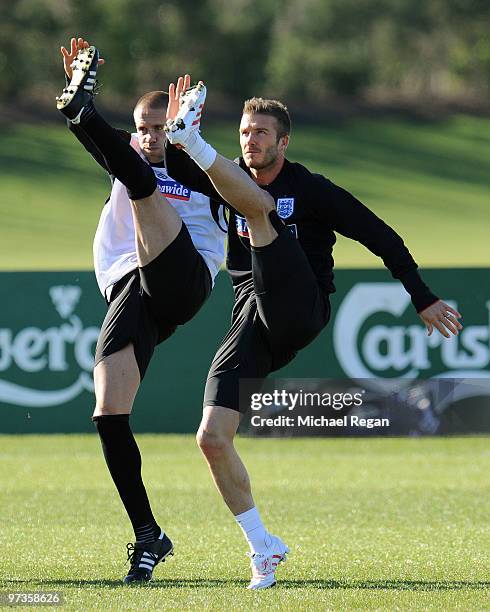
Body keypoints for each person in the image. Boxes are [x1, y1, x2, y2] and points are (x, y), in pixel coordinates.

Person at [163, 82, 463, 589]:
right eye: (243, 132)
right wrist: (155, 136)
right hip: (251, 318)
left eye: (261, 133)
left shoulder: (311, 189)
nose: (250, 140)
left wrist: (422, 296)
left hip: (303, 308)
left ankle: (194, 136)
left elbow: (382, 236)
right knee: (211, 437)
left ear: (284, 143)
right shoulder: (229, 176)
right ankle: (263, 547)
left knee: (257, 207)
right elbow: (171, 171)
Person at [56, 40, 226, 583]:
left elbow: (240, 197)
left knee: (142, 184)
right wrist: (85, 121)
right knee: (108, 414)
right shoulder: (129, 158)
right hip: (131, 289)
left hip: (184, 280)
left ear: (176, 126)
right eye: (144, 128)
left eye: (160, 127)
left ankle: (80, 107)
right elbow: (111, 153)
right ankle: (149, 535)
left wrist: (186, 138)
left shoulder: (198, 167)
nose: (151, 137)